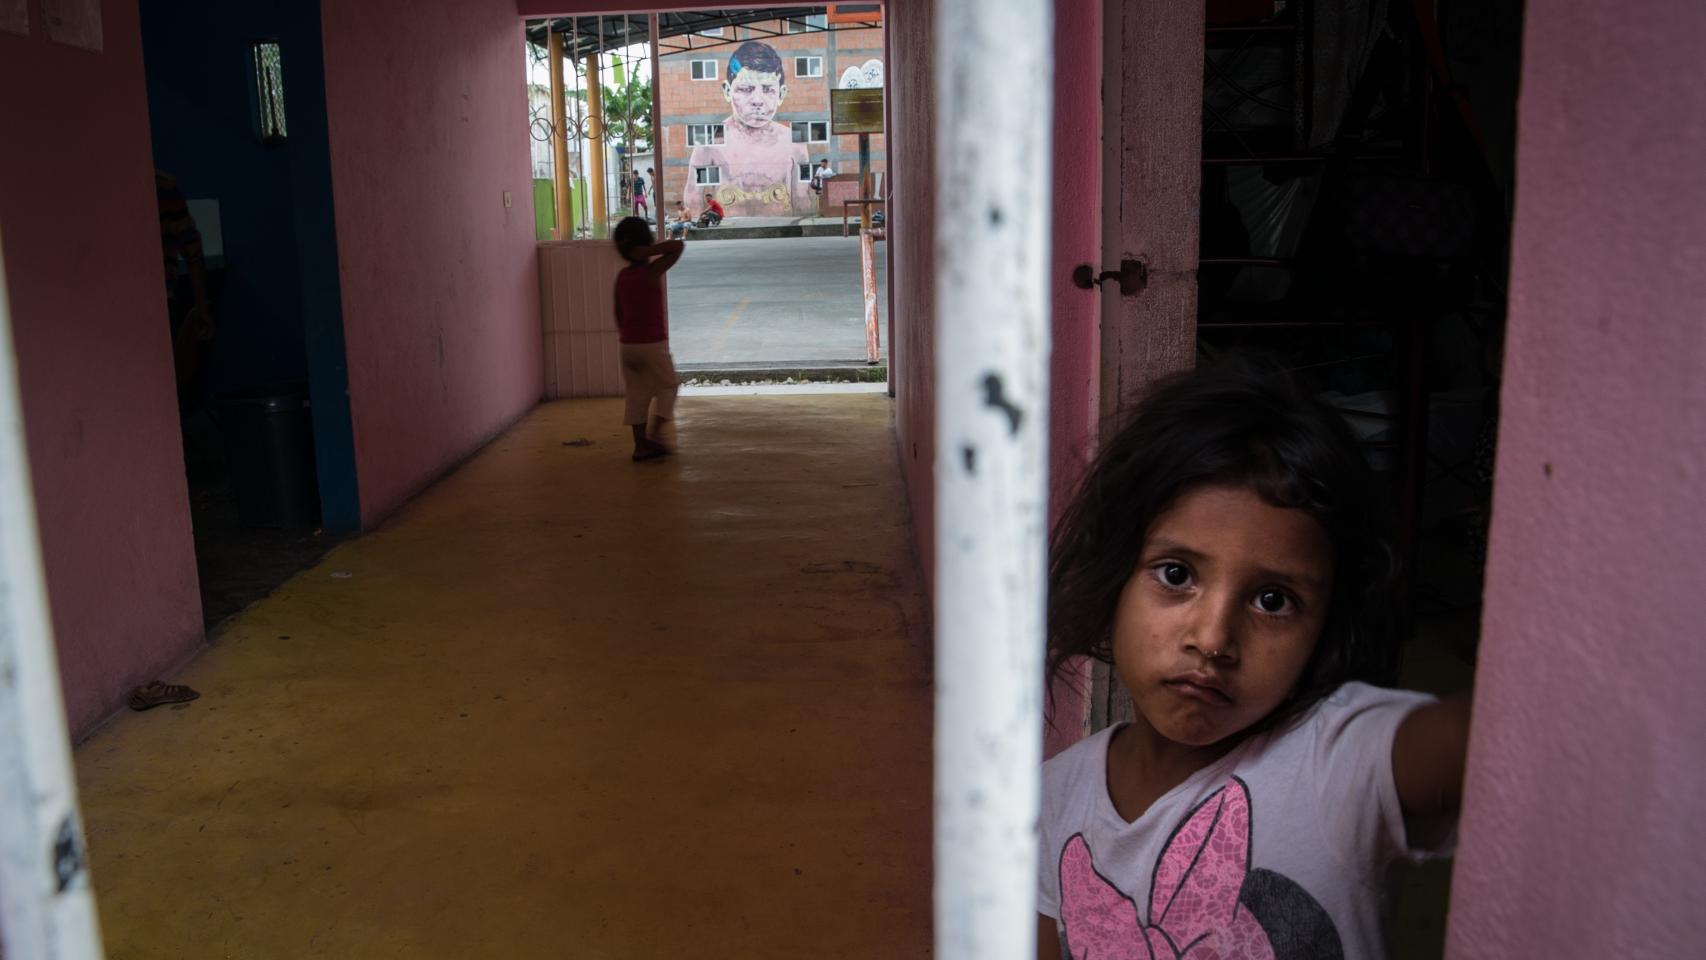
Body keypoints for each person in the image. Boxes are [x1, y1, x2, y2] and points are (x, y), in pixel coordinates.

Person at [1036, 363, 1471, 960]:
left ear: (1325, 625)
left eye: (1273, 600)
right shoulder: (1055, 798)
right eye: (1177, 575)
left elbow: (1494, 744)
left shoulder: (1340, 761)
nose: (1213, 639)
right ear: (1115, 575)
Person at [685, 40, 811, 219]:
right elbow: (693, 195)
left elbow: (801, 198)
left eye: (768, 89)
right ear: (727, 91)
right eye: (745, 89)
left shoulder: (793, 142)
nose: (757, 100)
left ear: (781, 94)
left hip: (782, 238)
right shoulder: (710, 142)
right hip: (726, 238)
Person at [611, 217, 683, 462]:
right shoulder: (651, 270)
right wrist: (649, 252)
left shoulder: (622, 276)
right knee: (669, 386)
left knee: (636, 394)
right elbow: (677, 247)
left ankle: (640, 446)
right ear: (645, 243)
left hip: (628, 345)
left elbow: (618, 313)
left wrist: (627, 337)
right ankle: (655, 435)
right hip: (652, 343)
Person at [156, 170, 216, 395]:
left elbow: (192, 250)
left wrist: (201, 310)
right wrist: (202, 310)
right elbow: (193, 251)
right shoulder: (163, 185)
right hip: (161, 304)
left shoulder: (162, 186)